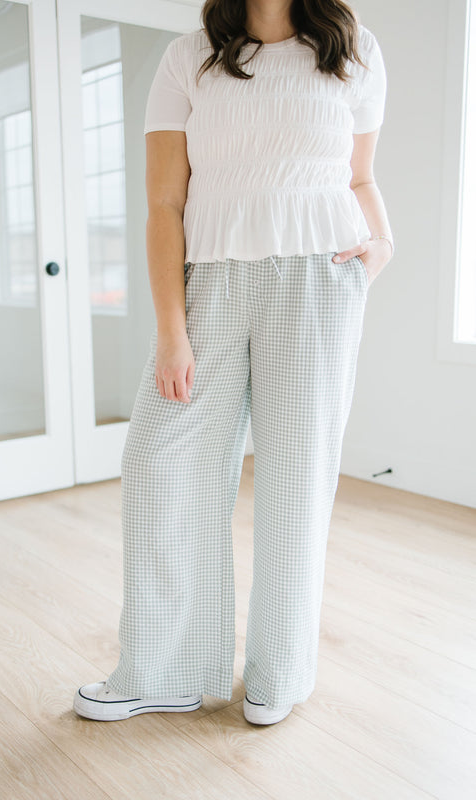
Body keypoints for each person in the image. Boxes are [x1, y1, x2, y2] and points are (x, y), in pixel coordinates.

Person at [73, 0, 393, 726]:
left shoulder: (354, 52)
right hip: (210, 282)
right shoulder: (190, 57)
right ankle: (164, 671)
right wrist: (170, 331)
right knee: (158, 462)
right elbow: (164, 203)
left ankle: (278, 675)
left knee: (297, 478)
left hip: (319, 281)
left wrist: (383, 243)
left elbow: (360, 178)